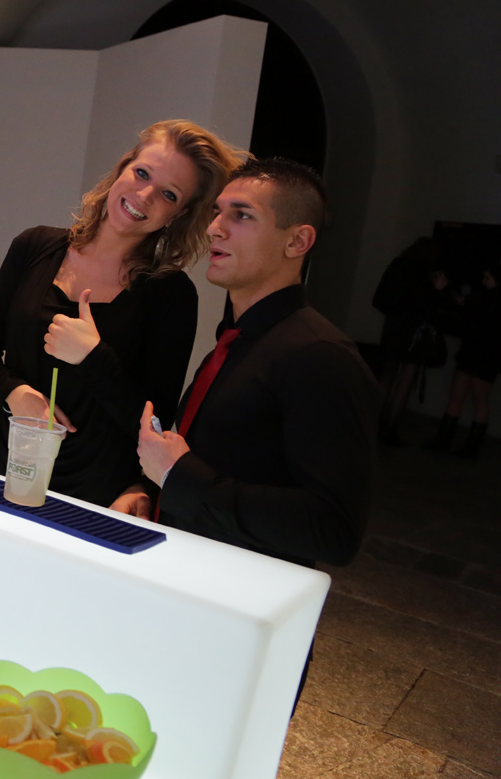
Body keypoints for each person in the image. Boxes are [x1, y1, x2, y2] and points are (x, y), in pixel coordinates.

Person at [114, 157, 378, 571]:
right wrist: (154, 492)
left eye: (241, 215)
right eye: (217, 212)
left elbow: (333, 530)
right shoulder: (238, 340)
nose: (214, 228)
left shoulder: (320, 356)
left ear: (297, 241)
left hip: (243, 592)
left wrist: (181, 479)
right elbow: (221, 464)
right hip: (188, 573)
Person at [0, 121, 240, 506]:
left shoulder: (170, 294)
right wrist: (16, 393)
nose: (144, 195)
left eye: (168, 194)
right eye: (141, 173)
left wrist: (93, 357)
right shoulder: (34, 246)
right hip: (2, 462)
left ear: (179, 213)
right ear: (122, 169)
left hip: (92, 491)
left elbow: (153, 420)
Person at [372, 237, 450, 446]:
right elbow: (428, 307)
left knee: (386, 376)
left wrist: (395, 314)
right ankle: (391, 428)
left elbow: (378, 300)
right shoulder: (426, 275)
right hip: (415, 332)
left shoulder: (397, 267)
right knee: (406, 378)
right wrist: (437, 291)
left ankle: (372, 424)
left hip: (393, 328)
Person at [427, 263, 501, 458]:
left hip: (482, 353)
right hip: (479, 353)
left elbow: (477, 320)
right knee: (465, 397)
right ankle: (455, 442)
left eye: (487, 278)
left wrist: (464, 305)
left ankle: (457, 443)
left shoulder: (488, 300)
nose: (483, 282)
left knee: (476, 400)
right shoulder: (485, 298)